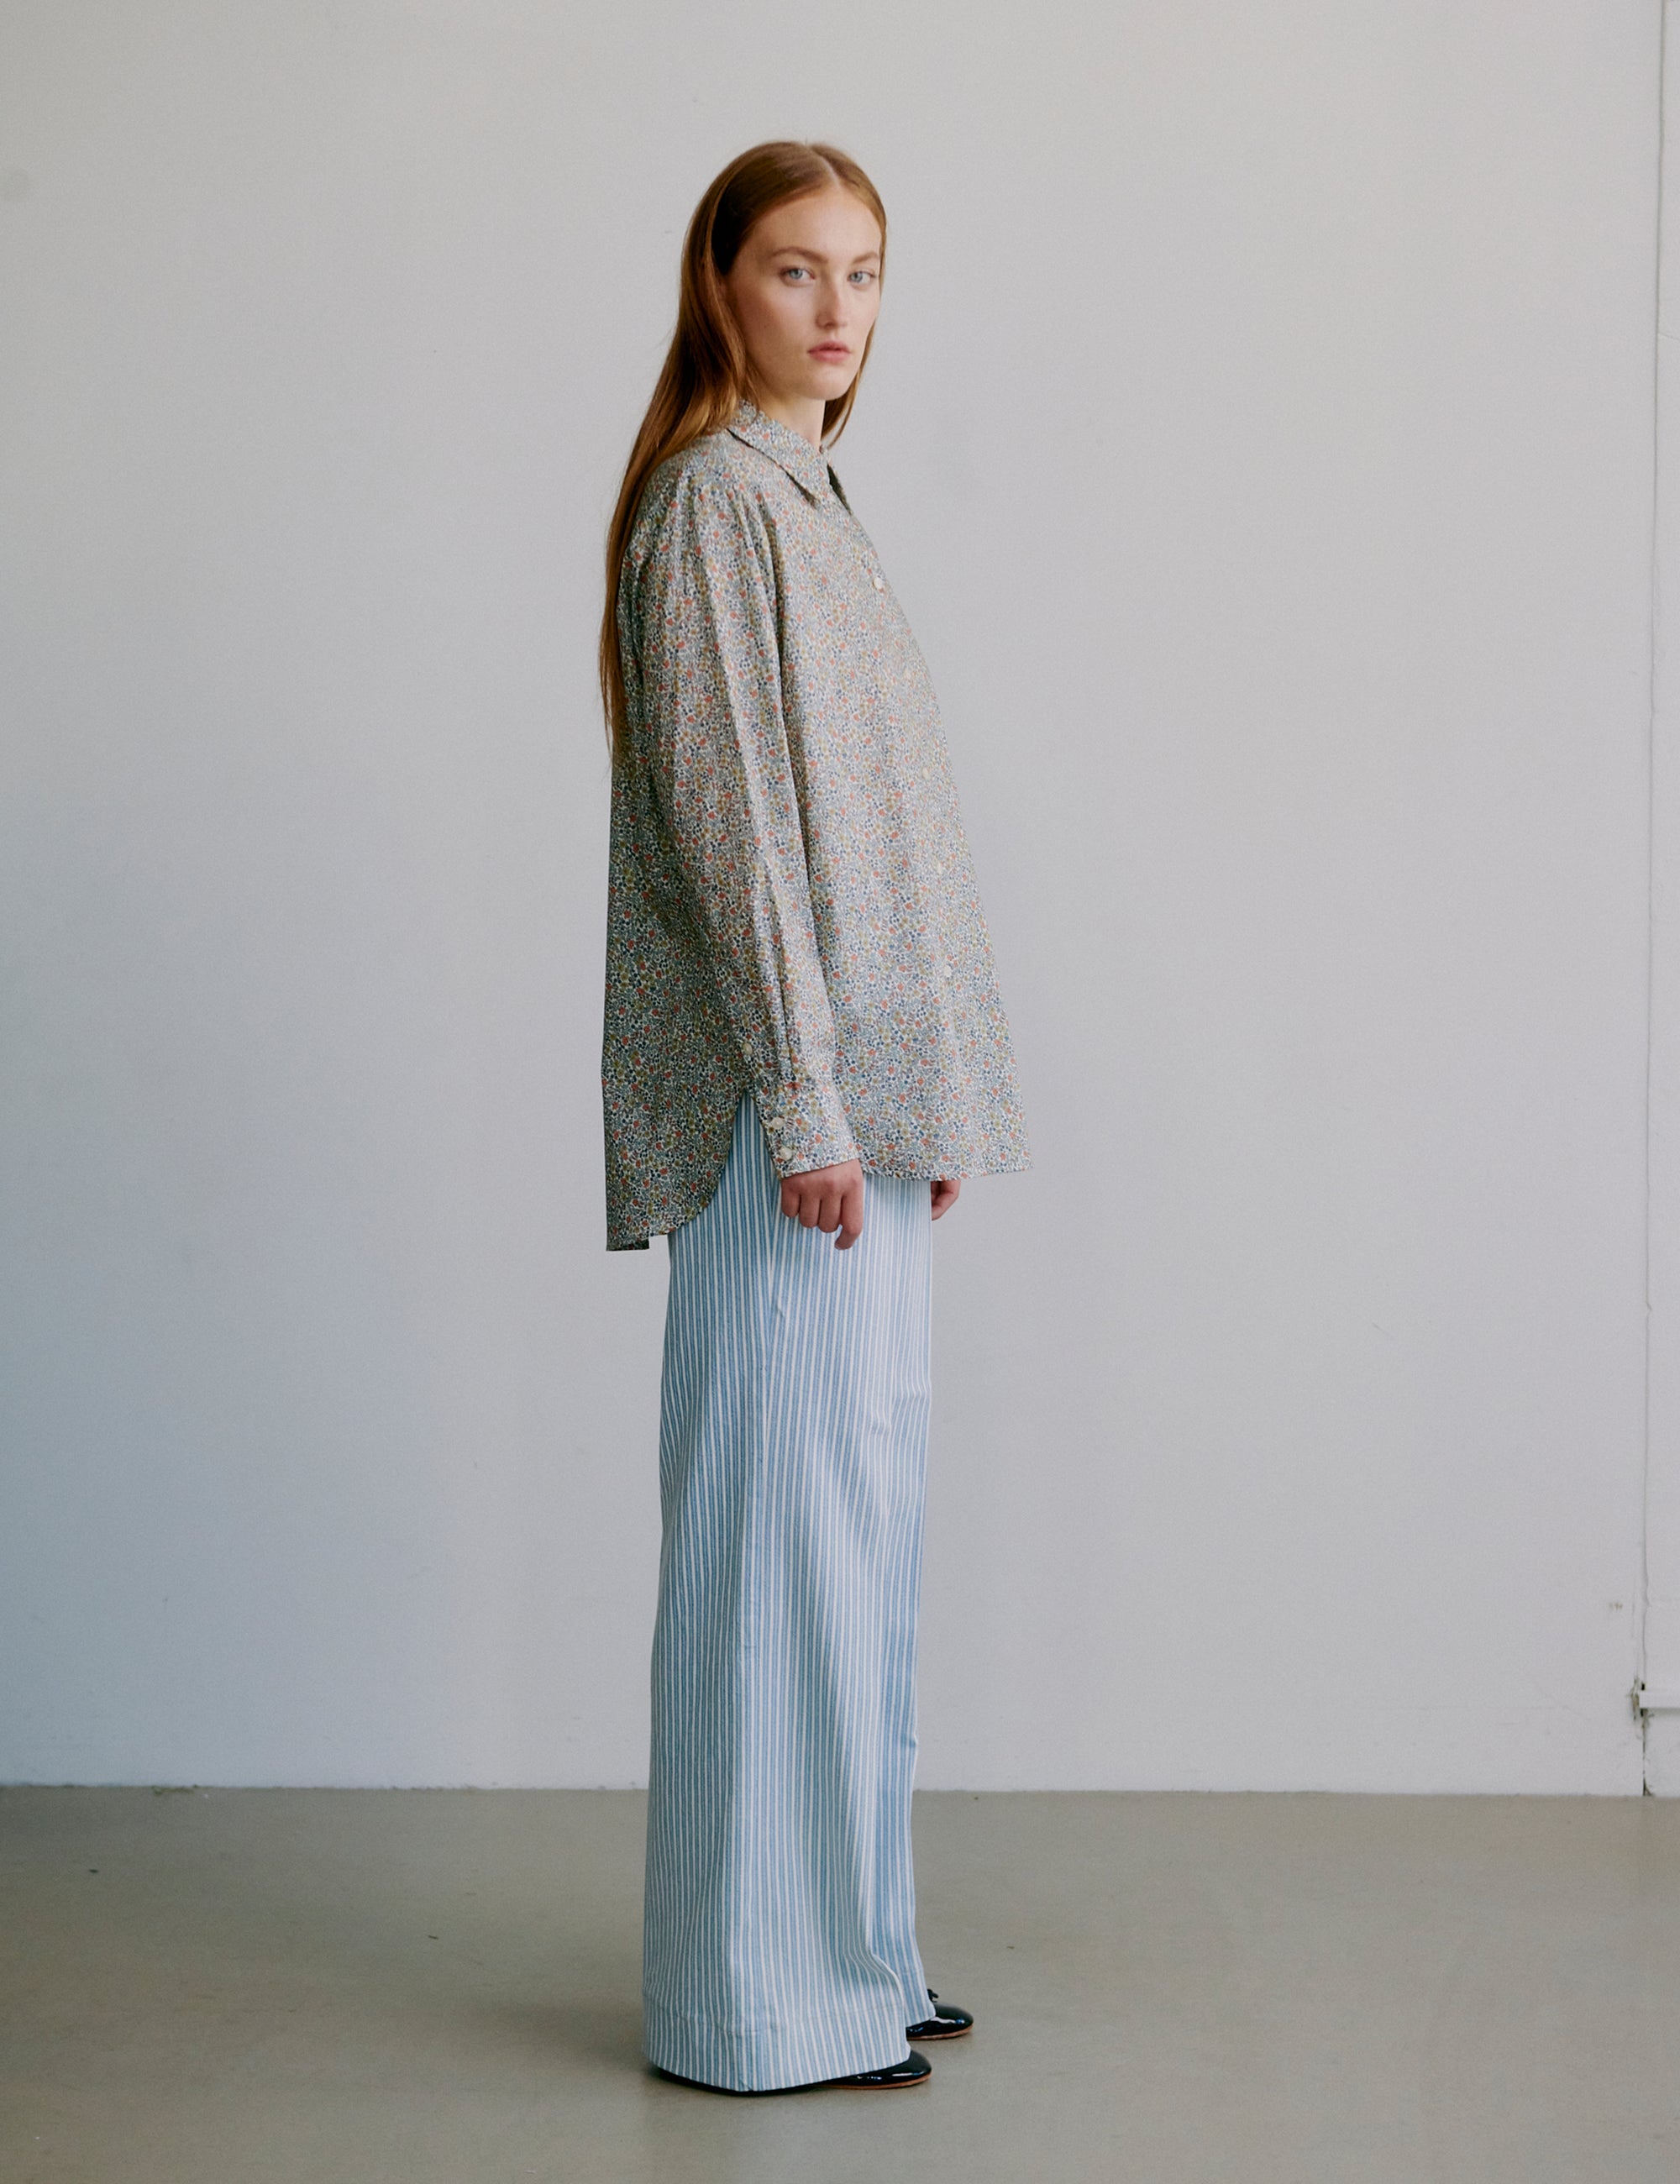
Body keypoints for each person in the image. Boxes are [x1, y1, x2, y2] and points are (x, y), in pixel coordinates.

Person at [598, 139, 1030, 2095]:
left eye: (862, 270)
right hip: (788, 1135)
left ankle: (853, 1956)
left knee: (860, 1534)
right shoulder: (710, 508)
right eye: (795, 269)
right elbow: (738, 838)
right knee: (782, 1547)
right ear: (721, 282)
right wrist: (804, 1098)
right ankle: (757, 2003)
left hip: (858, 1120)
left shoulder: (810, 498)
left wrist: (907, 1089)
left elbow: (874, 836)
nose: (837, 308)